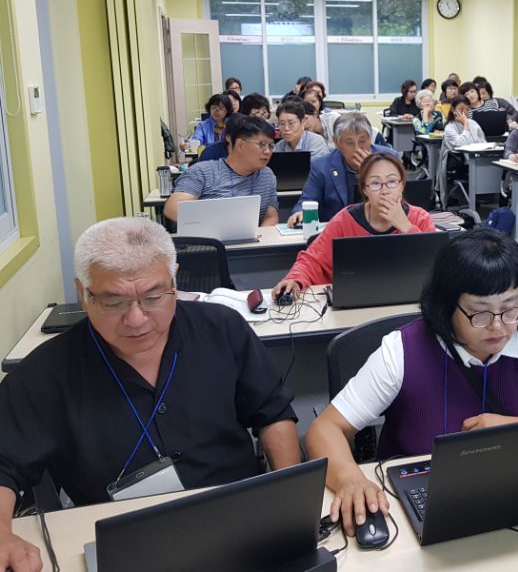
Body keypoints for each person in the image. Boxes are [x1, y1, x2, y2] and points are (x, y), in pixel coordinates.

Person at [0, 218, 300, 569]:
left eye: (153, 296)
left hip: (233, 514)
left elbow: (273, 412)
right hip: (123, 535)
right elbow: (5, 465)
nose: (137, 319)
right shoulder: (44, 373)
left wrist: (287, 498)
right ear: (83, 294)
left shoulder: (223, 328)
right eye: (114, 303)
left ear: (175, 279)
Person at [305, 228, 518, 534]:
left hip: (517, 492)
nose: (498, 327)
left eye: (510, 308)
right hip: (420, 502)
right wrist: (350, 478)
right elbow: (326, 428)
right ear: (446, 306)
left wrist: (514, 429)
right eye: (479, 314)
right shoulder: (402, 351)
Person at [273, 154, 436, 295]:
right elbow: (313, 259)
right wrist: (295, 279)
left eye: (392, 182)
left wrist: (406, 226)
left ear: (402, 185)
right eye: (375, 184)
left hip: (407, 302)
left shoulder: (420, 218)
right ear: (365, 189)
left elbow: (437, 267)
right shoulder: (346, 219)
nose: (385, 190)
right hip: (354, 302)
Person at [164, 115, 279, 225]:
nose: (268, 151)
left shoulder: (267, 175)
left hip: (252, 243)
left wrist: (259, 237)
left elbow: (271, 216)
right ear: (240, 145)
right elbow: (173, 208)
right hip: (209, 243)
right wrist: (216, 225)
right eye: (262, 144)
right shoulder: (202, 172)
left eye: (271, 146)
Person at [289, 112, 398, 225]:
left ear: (370, 139)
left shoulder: (390, 159)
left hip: (381, 226)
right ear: (337, 143)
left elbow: (397, 200)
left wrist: (370, 172)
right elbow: (308, 199)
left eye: (362, 141)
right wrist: (299, 213)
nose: (357, 149)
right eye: (350, 143)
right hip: (338, 229)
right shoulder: (322, 166)